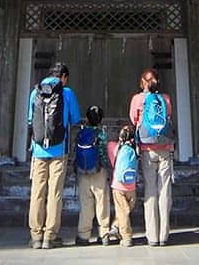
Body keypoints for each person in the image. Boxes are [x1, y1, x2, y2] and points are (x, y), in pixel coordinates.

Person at [26, 62, 82, 249]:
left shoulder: (36, 92)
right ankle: (50, 235)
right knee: (55, 192)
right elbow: (74, 118)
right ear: (64, 77)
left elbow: (29, 119)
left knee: (37, 192)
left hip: (39, 149)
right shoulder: (66, 93)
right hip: (59, 149)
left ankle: (35, 235)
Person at [130, 67, 174, 246]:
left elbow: (134, 120)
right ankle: (164, 235)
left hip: (147, 149)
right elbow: (169, 116)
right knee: (165, 190)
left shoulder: (137, 99)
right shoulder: (165, 98)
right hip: (164, 147)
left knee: (150, 189)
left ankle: (152, 236)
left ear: (142, 83)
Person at [74, 105, 112, 245]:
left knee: (85, 204)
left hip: (83, 171)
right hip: (99, 171)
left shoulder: (81, 133)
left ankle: (83, 235)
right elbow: (104, 152)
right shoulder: (102, 133)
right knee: (102, 203)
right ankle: (104, 233)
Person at [110, 124, 139, 247]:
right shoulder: (135, 150)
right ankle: (116, 226)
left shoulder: (114, 147)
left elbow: (112, 161)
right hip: (131, 186)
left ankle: (126, 237)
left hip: (118, 186)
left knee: (122, 212)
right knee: (126, 210)